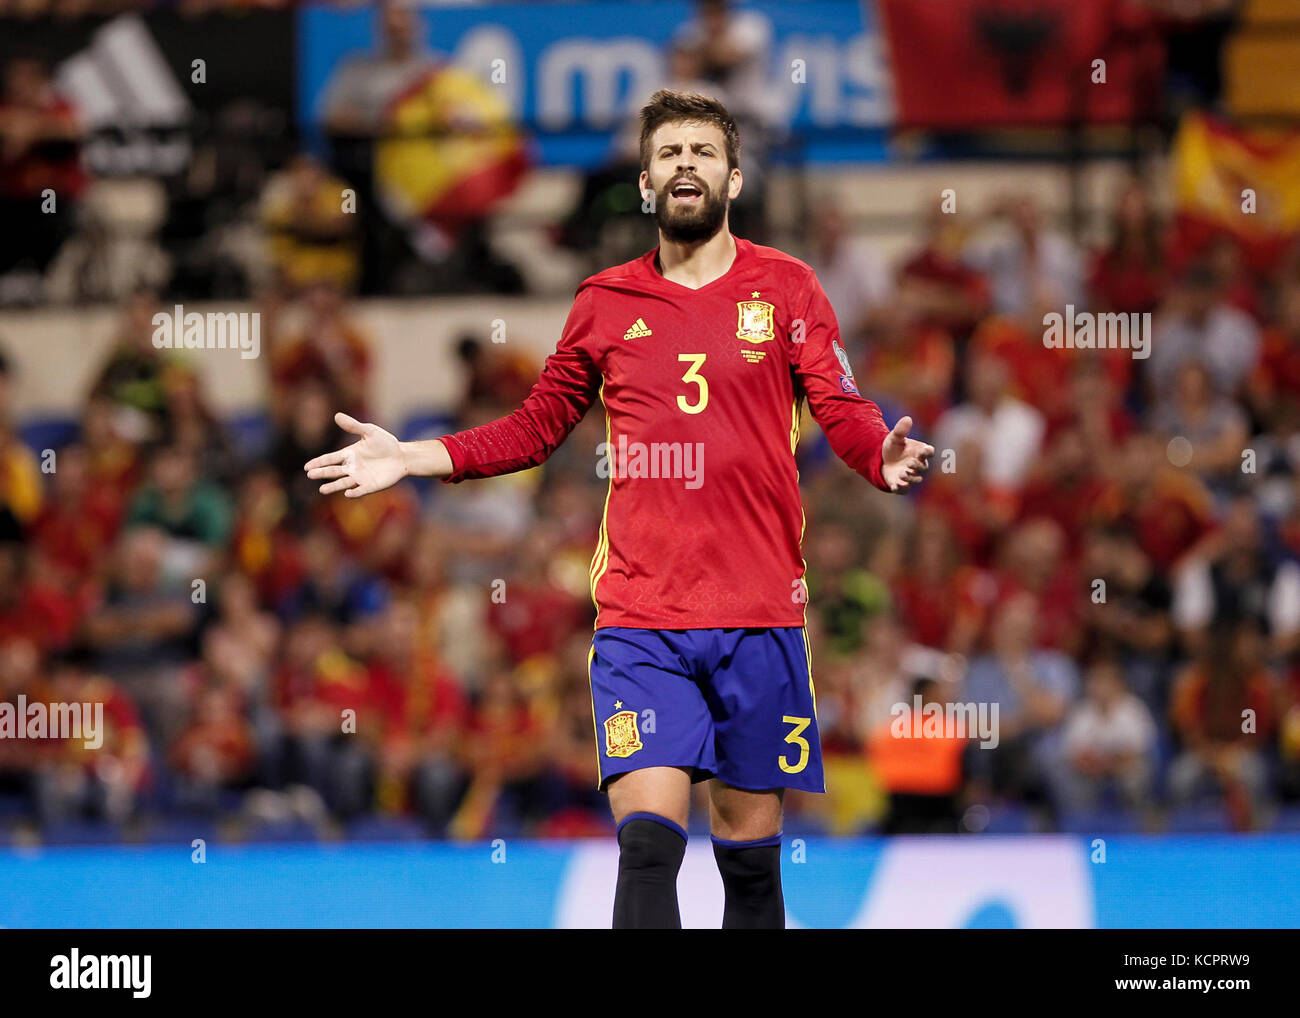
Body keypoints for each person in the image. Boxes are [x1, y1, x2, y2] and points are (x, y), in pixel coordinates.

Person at [304, 90, 934, 929]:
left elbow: (841, 402)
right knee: (648, 845)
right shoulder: (604, 303)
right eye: (669, 153)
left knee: (749, 857)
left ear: (734, 178)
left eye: (703, 153)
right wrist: (413, 456)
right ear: (644, 182)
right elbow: (534, 429)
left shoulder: (787, 288)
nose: (685, 166)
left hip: (760, 614)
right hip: (643, 619)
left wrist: (874, 454)